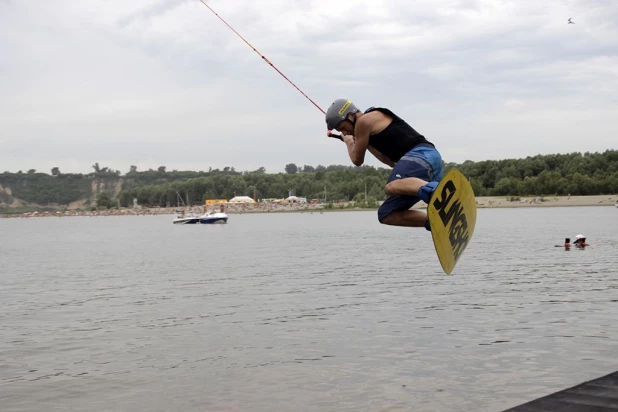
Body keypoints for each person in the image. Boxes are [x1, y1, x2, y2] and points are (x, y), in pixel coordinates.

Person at [325, 98, 443, 230]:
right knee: (386, 213)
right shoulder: (368, 127)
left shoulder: (364, 121)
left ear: (350, 116)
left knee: (391, 187)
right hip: (426, 163)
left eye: (342, 128)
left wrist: (349, 142)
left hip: (422, 154)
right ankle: (438, 222)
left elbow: (357, 160)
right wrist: (364, 143)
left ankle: (438, 193)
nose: (344, 133)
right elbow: (391, 162)